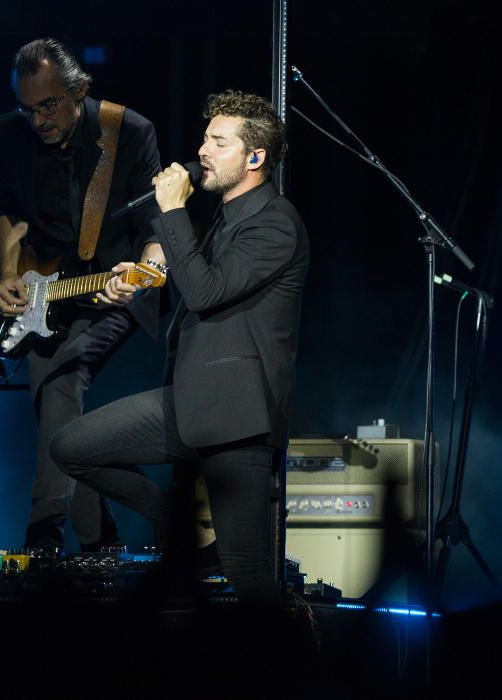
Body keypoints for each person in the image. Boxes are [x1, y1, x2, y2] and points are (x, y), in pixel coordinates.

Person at [50, 90, 309, 603]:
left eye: (219, 141)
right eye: (204, 138)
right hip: (188, 399)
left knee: (248, 576)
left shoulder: (276, 224)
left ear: (255, 157)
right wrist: (143, 277)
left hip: (237, 417)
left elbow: (206, 291)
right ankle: (182, 525)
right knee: (71, 447)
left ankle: (299, 662)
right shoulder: (225, 216)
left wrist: (170, 211)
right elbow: (197, 279)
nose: (202, 151)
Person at [0, 38, 164, 553]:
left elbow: (159, 228)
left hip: (114, 288)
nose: (37, 120)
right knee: (57, 403)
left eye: (49, 106)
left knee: (61, 379)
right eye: (27, 108)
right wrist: (6, 274)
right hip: (48, 289)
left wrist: (144, 271)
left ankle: (44, 530)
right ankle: (100, 540)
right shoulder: (5, 136)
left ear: (79, 90)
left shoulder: (128, 131)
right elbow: (8, 210)